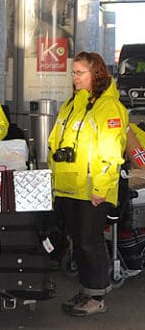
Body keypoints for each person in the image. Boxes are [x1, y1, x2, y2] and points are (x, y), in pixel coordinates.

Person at [49, 51, 128, 316]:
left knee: (89, 242)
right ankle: (86, 291)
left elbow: (111, 153)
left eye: (80, 72)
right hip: (68, 186)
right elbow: (56, 142)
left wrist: (100, 189)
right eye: (73, 72)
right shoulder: (73, 104)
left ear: (96, 74)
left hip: (92, 189)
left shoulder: (109, 107)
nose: (75, 77)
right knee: (78, 241)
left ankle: (96, 296)